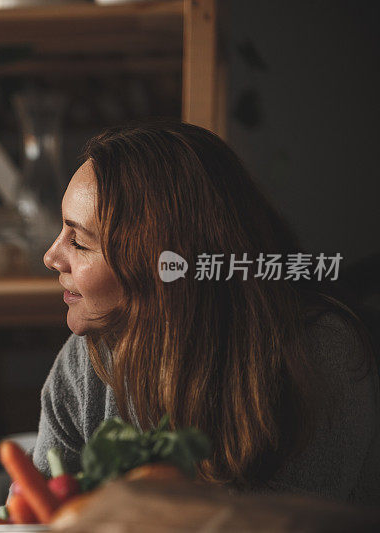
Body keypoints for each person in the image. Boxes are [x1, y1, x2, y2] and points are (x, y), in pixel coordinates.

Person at [33, 121, 380, 503]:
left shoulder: (318, 354)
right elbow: (39, 511)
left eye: (79, 242)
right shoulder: (87, 359)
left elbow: (295, 524)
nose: (51, 258)